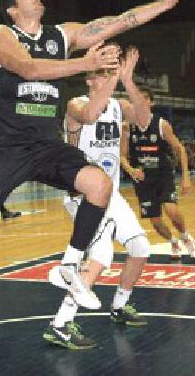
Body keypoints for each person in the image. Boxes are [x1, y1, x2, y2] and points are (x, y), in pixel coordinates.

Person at [0, 0, 191, 365]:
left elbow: (118, 21)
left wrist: (167, 2)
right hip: (7, 148)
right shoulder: (1, 35)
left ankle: (68, 267)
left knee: (98, 185)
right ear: (13, 8)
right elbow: (28, 69)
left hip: (45, 145)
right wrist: (86, 63)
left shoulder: (61, 35)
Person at [50, 44, 154, 349]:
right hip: (84, 194)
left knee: (140, 246)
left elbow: (145, 119)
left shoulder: (119, 107)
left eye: (112, 73)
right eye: (104, 73)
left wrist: (129, 80)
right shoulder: (75, 104)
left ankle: (120, 305)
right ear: (89, 79)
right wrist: (113, 78)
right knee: (100, 256)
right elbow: (92, 115)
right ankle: (60, 324)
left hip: (111, 194)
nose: (110, 77)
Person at [121, 88, 195, 260]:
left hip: (162, 174)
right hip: (142, 179)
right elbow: (122, 155)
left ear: (151, 102)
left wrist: (186, 177)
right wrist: (130, 169)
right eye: (136, 100)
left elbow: (179, 148)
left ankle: (186, 236)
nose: (139, 103)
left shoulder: (161, 124)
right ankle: (173, 241)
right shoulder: (127, 127)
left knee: (171, 210)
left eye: (143, 99)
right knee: (156, 222)